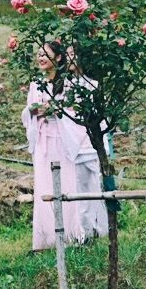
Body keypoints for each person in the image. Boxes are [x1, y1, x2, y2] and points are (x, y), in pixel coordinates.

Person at [25, 41, 106, 248]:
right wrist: (34, 111)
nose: (41, 57)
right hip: (44, 140)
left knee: (68, 186)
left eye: (46, 54)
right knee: (45, 186)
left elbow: (73, 111)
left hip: (63, 140)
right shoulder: (36, 83)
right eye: (39, 54)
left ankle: (72, 235)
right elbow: (28, 111)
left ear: (58, 58)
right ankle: (46, 238)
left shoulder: (69, 83)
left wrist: (54, 109)